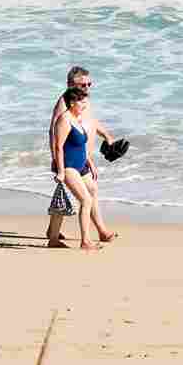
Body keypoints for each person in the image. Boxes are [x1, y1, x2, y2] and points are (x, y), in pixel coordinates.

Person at [45, 67, 119, 249]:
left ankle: (54, 234)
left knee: (87, 192)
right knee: (79, 197)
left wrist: (107, 137)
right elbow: (55, 136)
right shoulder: (66, 105)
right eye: (83, 84)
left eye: (89, 84)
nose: (87, 87)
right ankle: (88, 237)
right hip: (67, 161)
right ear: (71, 85)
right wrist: (59, 165)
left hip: (80, 159)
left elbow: (91, 122)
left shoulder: (82, 100)